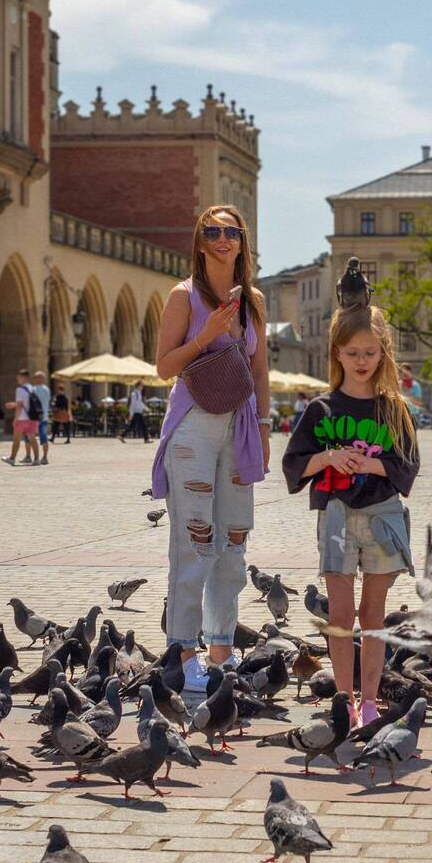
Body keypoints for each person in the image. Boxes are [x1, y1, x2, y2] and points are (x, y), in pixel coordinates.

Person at [282, 299, 418, 729]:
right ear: (337, 353)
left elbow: (408, 465)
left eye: (370, 352)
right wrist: (329, 457)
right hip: (336, 516)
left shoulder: (394, 408)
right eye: (353, 352)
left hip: (383, 515)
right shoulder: (320, 409)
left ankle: (372, 701)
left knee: (373, 613)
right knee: (340, 616)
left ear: (384, 353)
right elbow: (294, 465)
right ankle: (344, 700)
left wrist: (368, 463)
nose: (362, 361)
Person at [152, 204, 270, 691]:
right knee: (194, 540)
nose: (223, 239)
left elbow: (259, 370)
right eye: (213, 231)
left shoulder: (254, 299)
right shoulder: (183, 295)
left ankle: (222, 648)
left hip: (241, 426)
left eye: (232, 231)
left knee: (233, 542)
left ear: (243, 242)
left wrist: (264, 431)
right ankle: (183, 649)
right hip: (194, 426)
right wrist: (205, 335)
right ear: (200, 243)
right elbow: (163, 366)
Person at [1, 369, 42, 466]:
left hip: (22, 418)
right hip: (32, 418)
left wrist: (15, 419)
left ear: (24, 378)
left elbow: (20, 406)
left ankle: (12, 459)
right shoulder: (32, 388)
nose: (17, 379)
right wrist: (14, 404)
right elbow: (26, 403)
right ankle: (36, 459)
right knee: (32, 439)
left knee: (16, 439)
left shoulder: (19, 389)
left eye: (19, 377)